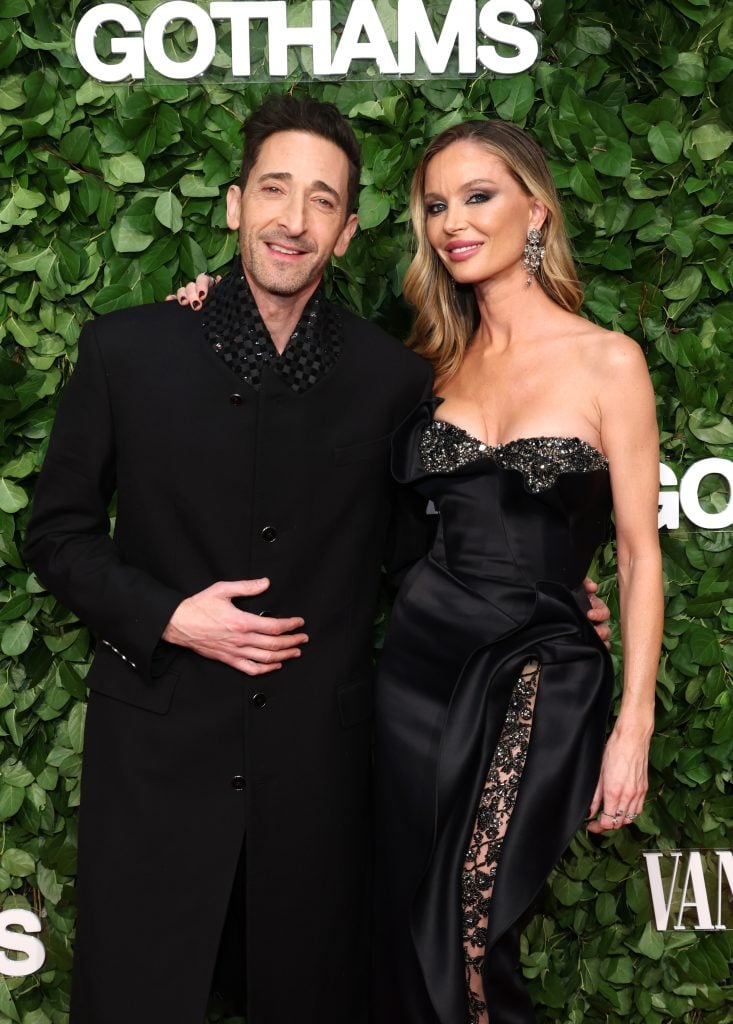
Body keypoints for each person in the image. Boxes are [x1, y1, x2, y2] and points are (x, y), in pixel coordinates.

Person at [23, 96, 437, 1024]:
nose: (293, 219)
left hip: (316, 780)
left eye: (321, 200)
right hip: (156, 764)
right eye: (274, 190)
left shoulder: (391, 380)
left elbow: (416, 566)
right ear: (232, 204)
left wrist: (536, 595)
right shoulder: (127, 350)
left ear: (348, 228)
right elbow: (54, 535)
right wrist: (172, 614)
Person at [370, 121, 663, 1024]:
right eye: (435, 205)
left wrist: (634, 726)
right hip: (418, 668)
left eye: (477, 196)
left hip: (544, 663)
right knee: (405, 922)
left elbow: (638, 550)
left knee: (470, 915)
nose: (452, 221)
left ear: (534, 209)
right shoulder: (424, 369)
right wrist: (205, 301)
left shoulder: (607, 359)